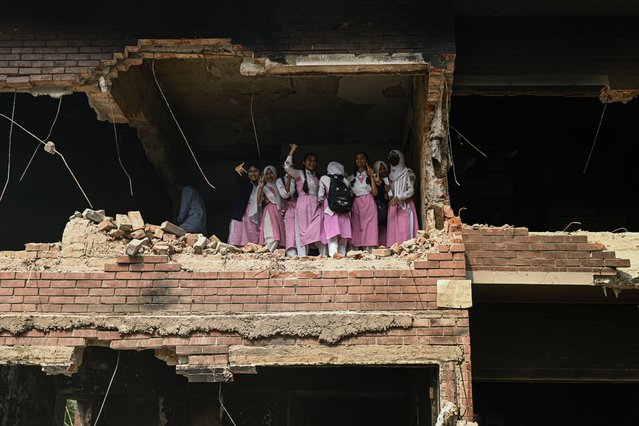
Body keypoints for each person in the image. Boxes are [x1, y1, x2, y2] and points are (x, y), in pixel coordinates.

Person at [284, 144, 324, 256]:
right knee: (302, 230)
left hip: (316, 204)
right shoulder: (299, 173)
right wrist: (292, 150)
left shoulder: (318, 176)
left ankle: (322, 255)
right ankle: (302, 256)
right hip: (303, 204)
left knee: (318, 228)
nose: (312, 162)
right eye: (309, 160)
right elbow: (287, 167)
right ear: (303, 162)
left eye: (314, 160)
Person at [318, 161, 353, 257]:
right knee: (343, 238)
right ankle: (342, 255)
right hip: (344, 211)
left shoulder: (324, 178)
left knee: (332, 236)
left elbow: (320, 197)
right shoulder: (346, 181)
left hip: (330, 210)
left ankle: (334, 255)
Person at [386, 150, 419, 246]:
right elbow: (391, 195)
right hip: (393, 206)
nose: (393, 159)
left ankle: (407, 250)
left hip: (405, 204)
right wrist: (388, 191)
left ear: (401, 158)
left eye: (396, 156)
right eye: (391, 157)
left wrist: (399, 197)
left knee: (405, 229)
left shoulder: (407, 173)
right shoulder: (390, 176)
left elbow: (411, 190)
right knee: (394, 231)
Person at [348, 152, 378, 252]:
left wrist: (372, 177)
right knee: (356, 226)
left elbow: (375, 192)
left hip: (369, 202)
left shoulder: (372, 176)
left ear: (366, 161)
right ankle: (356, 251)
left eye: (362, 158)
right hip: (356, 203)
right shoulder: (351, 178)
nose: (359, 160)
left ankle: (369, 251)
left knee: (370, 226)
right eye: (357, 158)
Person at [228, 162, 262, 247]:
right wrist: (236, 171)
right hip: (241, 213)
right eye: (250, 171)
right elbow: (239, 179)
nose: (253, 173)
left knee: (253, 241)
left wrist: (261, 187)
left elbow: (260, 201)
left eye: (255, 171)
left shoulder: (262, 185)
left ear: (260, 173)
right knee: (237, 239)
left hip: (254, 214)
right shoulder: (246, 183)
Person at [258, 166, 286, 252]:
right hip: (270, 212)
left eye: (271, 173)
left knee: (279, 238)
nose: (269, 176)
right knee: (273, 236)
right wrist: (261, 187)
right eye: (267, 174)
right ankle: (265, 254)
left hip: (279, 213)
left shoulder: (280, 186)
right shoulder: (264, 187)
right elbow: (258, 201)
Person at [276, 157, 298, 257]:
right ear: (283, 166)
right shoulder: (280, 180)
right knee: (290, 232)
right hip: (289, 208)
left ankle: (303, 254)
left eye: (292, 164)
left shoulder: (300, 176)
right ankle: (291, 255)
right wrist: (289, 178)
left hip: (302, 207)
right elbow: (285, 195)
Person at [373, 160, 391, 246]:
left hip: (389, 206)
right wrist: (383, 189)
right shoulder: (375, 181)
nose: (383, 171)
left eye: (384, 168)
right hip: (379, 208)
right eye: (380, 169)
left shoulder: (391, 179)